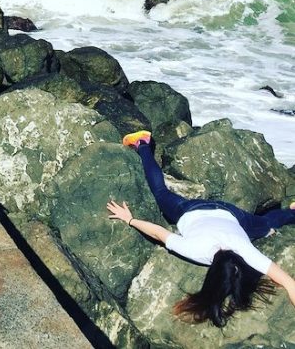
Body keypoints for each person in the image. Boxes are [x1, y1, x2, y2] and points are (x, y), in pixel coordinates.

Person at [107, 130, 295, 327]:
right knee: (161, 192)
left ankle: (143, 144)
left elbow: (290, 284)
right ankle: (142, 144)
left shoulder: (246, 252)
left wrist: (130, 220)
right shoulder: (196, 251)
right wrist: (130, 220)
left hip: (227, 212)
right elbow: (159, 233)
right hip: (196, 212)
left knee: (266, 224)